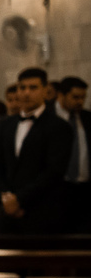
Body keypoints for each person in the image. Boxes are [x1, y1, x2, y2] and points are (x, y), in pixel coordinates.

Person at [0, 67, 74, 234]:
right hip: (7, 215)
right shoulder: (5, 125)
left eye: (33, 88)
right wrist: (5, 198)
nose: (26, 93)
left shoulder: (59, 127)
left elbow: (54, 172)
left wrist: (20, 200)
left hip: (42, 213)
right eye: (22, 87)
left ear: (45, 91)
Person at [55, 76, 90, 231]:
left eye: (83, 97)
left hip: (84, 189)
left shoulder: (87, 118)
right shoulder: (49, 117)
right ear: (61, 95)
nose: (80, 102)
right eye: (75, 97)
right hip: (57, 189)